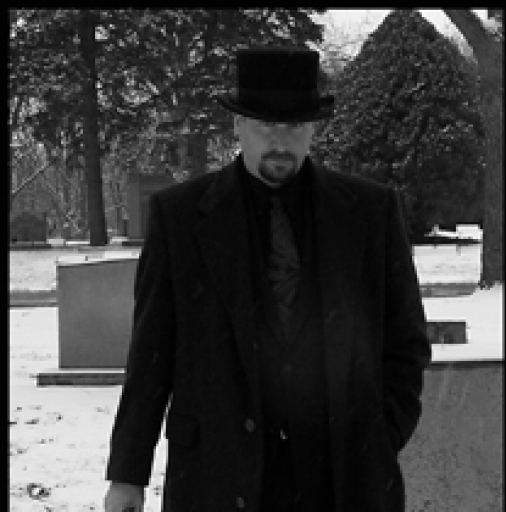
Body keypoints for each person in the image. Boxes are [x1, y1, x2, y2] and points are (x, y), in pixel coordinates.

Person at [104, 47, 431, 512]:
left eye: (294, 126)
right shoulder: (180, 217)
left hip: (343, 479)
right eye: (266, 126)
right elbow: (150, 356)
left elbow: (406, 343)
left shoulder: (370, 212)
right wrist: (127, 474)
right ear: (238, 125)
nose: (280, 142)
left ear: (313, 129)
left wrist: (380, 434)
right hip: (217, 474)